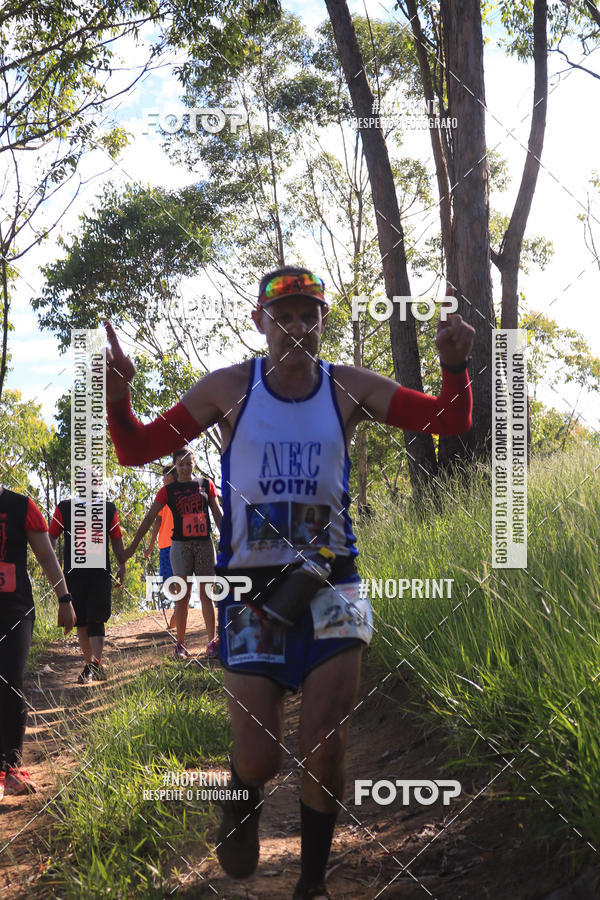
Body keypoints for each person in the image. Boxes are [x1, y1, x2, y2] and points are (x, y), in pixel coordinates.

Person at [104, 266, 474, 899]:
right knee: (261, 757)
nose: (297, 328)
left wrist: (453, 365)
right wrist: (116, 393)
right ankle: (240, 797)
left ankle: (311, 884)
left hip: (334, 582)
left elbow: (446, 421)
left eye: (310, 315)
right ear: (260, 322)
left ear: (322, 323)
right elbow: (136, 448)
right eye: (285, 316)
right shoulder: (229, 389)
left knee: (326, 745)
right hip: (249, 590)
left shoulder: (347, 387)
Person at [0, 484, 76, 799]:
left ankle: (12, 768)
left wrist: (65, 599)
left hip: (15, 610)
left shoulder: (21, 505)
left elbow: (45, 555)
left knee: (10, 680)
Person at [124, 447, 223, 659]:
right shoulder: (168, 491)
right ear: (175, 467)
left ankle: (211, 642)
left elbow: (218, 515)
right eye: (181, 464)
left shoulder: (206, 485)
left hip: (204, 543)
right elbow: (150, 518)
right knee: (182, 596)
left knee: (207, 593)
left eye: (189, 463)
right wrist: (133, 546)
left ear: (194, 464)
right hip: (180, 546)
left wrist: (231, 540)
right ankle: (180, 644)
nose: (186, 468)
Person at [49, 495, 126, 683]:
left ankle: (94, 664)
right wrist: (52, 565)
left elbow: (116, 538)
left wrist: (121, 564)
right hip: (73, 575)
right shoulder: (64, 508)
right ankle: (91, 664)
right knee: (81, 621)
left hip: (100, 574)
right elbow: (51, 536)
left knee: (97, 619)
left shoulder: (108, 509)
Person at [144, 464, 177, 628]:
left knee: (168, 581)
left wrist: (150, 546)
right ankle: (179, 606)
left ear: (170, 477)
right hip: (180, 543)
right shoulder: (181, 492)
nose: (163, 480)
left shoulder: (165, 495)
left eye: (164, 477)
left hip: (166, 545)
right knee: (179, 579)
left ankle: (179, 607)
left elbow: (157, 521)